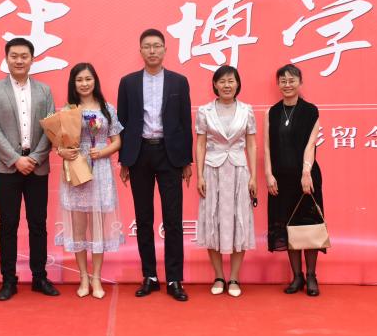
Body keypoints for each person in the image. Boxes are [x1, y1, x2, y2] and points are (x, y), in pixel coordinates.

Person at [117, 28, 193, 302]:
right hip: (139, 155)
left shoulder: (178, 82)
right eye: (147, 46)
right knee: (144, 219)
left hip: (170, 155)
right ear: (140, 51)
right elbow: (122, 123)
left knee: (173, 219)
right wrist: (124, 160)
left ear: (164, 50)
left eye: (157, 46)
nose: (152, 51)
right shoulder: (128, 83)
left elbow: (185, 122)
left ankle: (174, 279)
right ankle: (149, 275)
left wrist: (187, 160)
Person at [0, 37, 58, 301]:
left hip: (37, 166)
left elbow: (51, 126)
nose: (19, 60)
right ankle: (8, 280)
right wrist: (15, 159)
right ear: (6, 59)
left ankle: (39, 277)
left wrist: (34, 158)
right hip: (7, 167)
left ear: (32, 59)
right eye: (14, 56)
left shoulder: (44, 91)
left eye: (24, 56)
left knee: (38, 223)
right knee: (8, 224)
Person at [56, 63, 124, 299]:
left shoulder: (107, 108)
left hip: (101, 170)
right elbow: (59, 144)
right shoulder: (68, 110)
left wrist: (102, 152)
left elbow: (117, 141)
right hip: (76, 169)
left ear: (95, 80)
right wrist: (62, 152)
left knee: (97, 229)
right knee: (78, 228)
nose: (84, 84)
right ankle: (83, 277)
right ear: (73, 83)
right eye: (79, 80)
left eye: (88, 79)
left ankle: (96, 278)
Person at [195, 65, 257, 297]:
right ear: (215, 85)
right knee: (213, 221)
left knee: (239, 221)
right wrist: (199, 174)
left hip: (239, 170)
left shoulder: (247, 110)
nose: (227, 85)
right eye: (222, 81)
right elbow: (200, 143)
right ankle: (219, 276)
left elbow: (251, 143)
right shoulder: (205, 111)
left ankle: (234, 278)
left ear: (238, 84)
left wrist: (253, 176)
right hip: (212, 170)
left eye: (231, 81)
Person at [265, 64, 325, 297]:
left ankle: (311, 276)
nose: (287, 84)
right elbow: (267, 147)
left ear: (300, 82)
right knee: (288, 226)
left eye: (292, 80)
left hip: (306, 178)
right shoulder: (272, 112)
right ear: (278, 84)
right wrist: (269, 174)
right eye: (283, 81)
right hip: (281, 179)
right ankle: (296, 276)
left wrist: (306, 172)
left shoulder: (310, 111)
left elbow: (311, 145)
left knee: (308, 226)